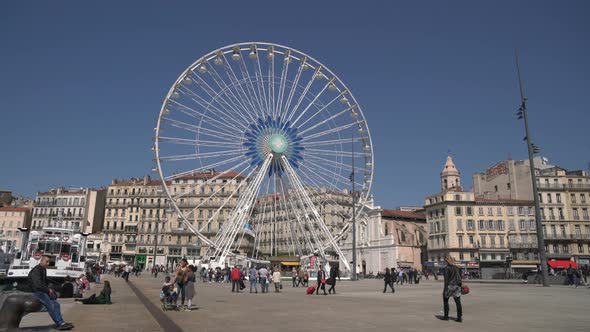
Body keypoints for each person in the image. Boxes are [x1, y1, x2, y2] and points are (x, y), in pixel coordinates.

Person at [27, 255, 74, 330]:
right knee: (52, 305)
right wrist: (48, 290)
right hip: (37, 292)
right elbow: (37, 284)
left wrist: (49, 290)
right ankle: (60, 324)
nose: (48, 263)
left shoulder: (43, 269)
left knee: (56, 304)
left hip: (42, 291)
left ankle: (61, 322)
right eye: (47, 261)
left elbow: (44, 283)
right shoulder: (36, 270)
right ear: (41, 261)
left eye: (49, 262)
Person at [441, 256, 463, 323]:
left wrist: (444, 290)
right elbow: (460, 277)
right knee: (458, 302)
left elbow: (446, 280)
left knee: (445, 301)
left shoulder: (446, 268)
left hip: (450, 286)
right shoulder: (456, 267)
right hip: (457, 286)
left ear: (446, 261)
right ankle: (459, 318)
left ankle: (446, 317)